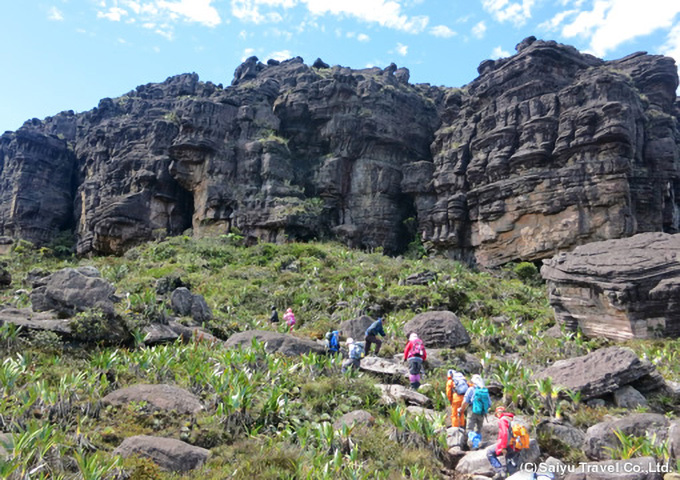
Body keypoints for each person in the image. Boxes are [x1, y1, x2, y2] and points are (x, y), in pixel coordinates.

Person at [487, 406, 521, 479]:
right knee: (511, 464)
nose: (497, 416)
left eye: (496, 414)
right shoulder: (512, 419)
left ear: (498, 413)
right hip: (517, 445)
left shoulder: (503, 420)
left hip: (509, 444)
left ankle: (500, 471)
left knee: (490, 452)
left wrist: (503, 447)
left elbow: (505, 433)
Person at [459, 374, 490, 449]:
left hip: (472, 410)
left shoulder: (471, 389)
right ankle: (477, 443)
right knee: (478, 429)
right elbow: (489, 403)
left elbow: (465, 401)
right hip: (482, 412)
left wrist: (461, 409)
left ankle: (472, 442)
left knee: (470, 428)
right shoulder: (484, 390)